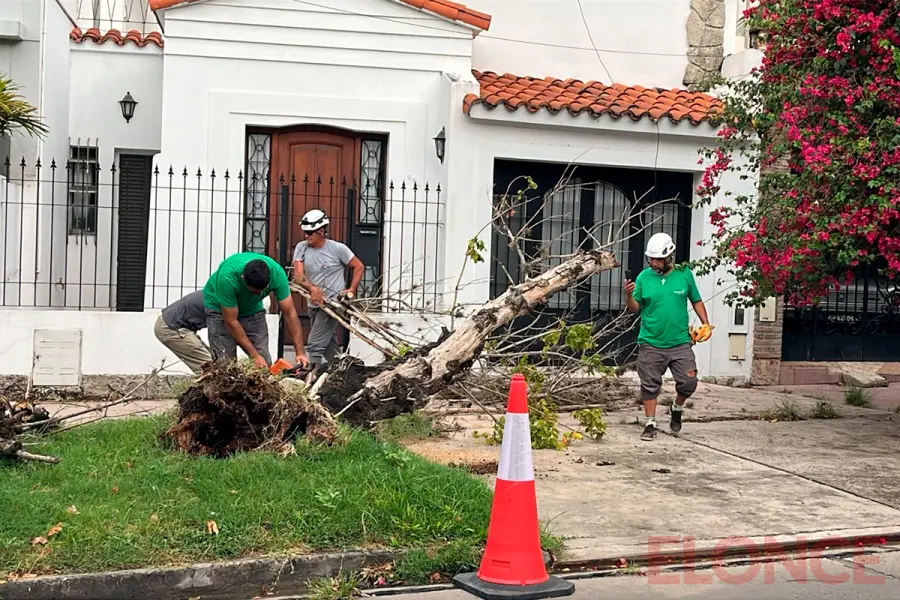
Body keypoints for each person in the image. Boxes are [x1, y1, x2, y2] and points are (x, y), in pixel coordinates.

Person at [624, 232, 712, 441]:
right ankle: (650, 423)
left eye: (658, 259)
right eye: (651, 259)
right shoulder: (644, 277)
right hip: (651, 341)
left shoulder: (684, 274)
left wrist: (705, 324)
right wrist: (628, 294)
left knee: (689, 381)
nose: (654, 263)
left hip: (680, 342)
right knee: (649, 385)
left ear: (669, 257)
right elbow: (635, 308)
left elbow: (696, 300)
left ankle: (677, 407)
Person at [203, 252, 309, 370]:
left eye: (262, 291)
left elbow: (290, 313)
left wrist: (300, 352)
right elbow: (231, 321)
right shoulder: (227, 278)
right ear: (243, 279)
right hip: (219, 309)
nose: (259, 295)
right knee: (225, 365)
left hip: (253, 309)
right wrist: (255, 356)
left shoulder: (277, 274)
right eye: (255, 292)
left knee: (264, 362)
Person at [292, 209, 364, 370]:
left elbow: (358, 266)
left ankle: (311, 378)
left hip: (331, 304)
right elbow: (298, 276)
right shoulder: (301, 248)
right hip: (313, 304)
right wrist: (313, 289)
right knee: (329, 346)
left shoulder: (338, 249)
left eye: (309, 233)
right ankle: (343, 372)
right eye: (305, 232)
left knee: (315, 345)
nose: (306, 236)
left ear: (321, 231)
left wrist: (351, 289)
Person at [154, 290, 211, 375]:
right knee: (210, 368)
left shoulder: (217, 292)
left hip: (174, 325)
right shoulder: (223, 301)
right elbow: (219, 335)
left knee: (213, 364)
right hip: (171, 328)